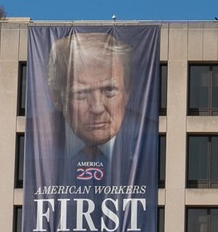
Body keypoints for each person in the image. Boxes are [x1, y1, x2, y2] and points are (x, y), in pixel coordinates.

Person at [44, 31, 146, 187]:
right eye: (81, 93)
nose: (97, 108)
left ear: (128, 92)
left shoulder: (150, 139)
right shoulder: (34, 140)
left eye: (109, 90)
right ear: (57, 97)